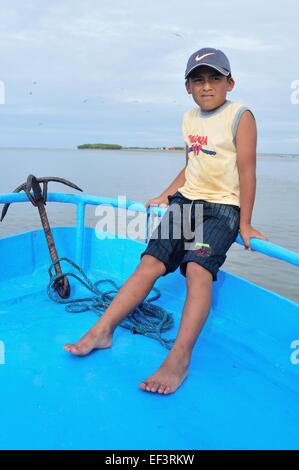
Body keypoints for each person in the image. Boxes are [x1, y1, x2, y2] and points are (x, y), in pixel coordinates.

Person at [64, 47, 268, 395]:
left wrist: (245, 223)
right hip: (186, 202)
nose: (206, 86)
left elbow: (247, 172)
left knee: (198, 272)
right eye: (198, 80)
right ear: (187, 87)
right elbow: (193, 164)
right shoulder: (189, 119)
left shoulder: (240, 116)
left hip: (221, 209)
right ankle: (103, 331)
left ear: (229, 83)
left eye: (214, 78)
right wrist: (165, 194)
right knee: (149, 263)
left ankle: (179, 358)